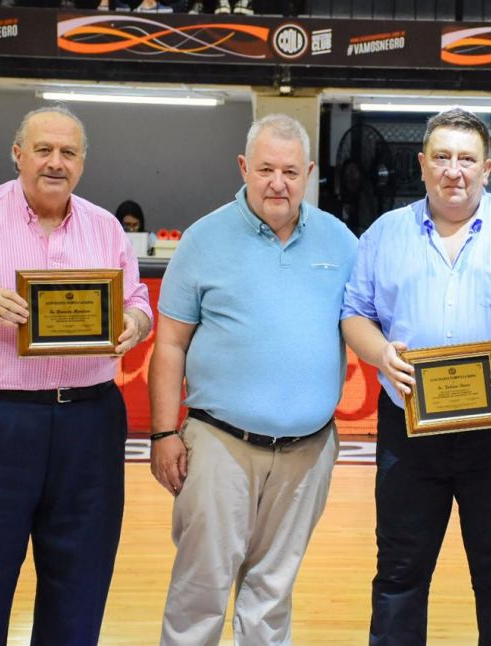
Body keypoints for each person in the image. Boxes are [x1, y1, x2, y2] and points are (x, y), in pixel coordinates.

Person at [0, 106, 153, 645]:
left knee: (79, 590)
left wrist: (134, 321)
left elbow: (136, 301)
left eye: (68, 153)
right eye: (44, 150)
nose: (55, 162)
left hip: (88, 423)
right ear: (18, 155)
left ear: (82, 163)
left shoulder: (106, 227)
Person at [340, 108, 491, 645]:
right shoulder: (384, 233)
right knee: (400, 571)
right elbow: (354, 314)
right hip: (410, 427)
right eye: (442, 157)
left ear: (487, 167)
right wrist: (381, 353)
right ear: (421, 164)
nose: (454, 170)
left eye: (466, 159)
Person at [149, 113, 357, 645]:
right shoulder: (202, 239)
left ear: (309, 173)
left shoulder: (340, 242)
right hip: (219, 445)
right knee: (200, 590)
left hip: (309, 452)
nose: (277, 183)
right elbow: (169, 343)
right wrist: (163, 432)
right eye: (265, 169)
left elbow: (365, 324)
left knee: (272, 595)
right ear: (244, 167)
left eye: (290, 171)